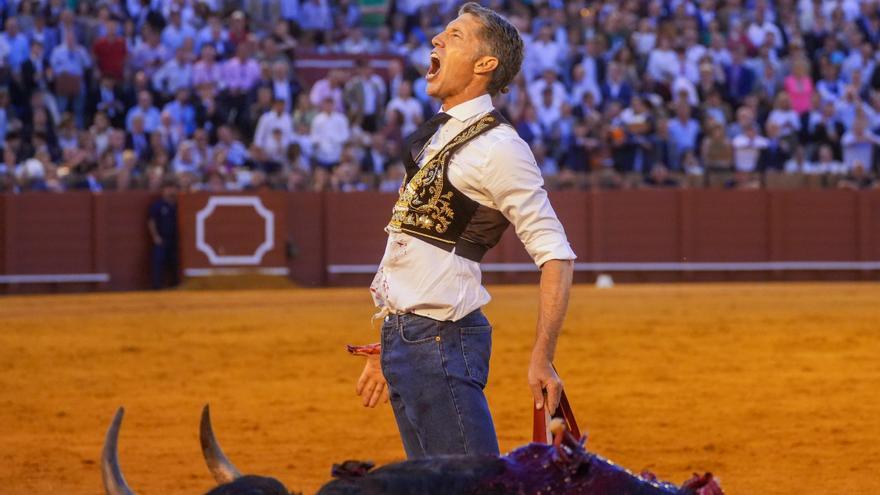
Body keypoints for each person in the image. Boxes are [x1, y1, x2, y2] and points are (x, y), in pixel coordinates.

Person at [355, 3, 576, 459]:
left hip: (441, 341)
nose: (436, 39)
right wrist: (391, 340)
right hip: (410, 340)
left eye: (454, 36)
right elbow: (410, 245)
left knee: (471, 488)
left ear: (485, 64)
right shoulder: (437, 134)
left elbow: (556, 253)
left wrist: (542, 355)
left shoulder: (499, 147)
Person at [147, 180, 179, 290]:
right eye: (168, 188)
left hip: (175, 239)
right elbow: (151, 221)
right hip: (162, 238)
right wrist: (155, 236)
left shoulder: (178, 204)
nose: (171, 191)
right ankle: (157, 286)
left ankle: (175, 285)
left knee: (175, 263)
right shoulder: (158, 205)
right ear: (163, 190)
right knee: (158, 262)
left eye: (173, 188)